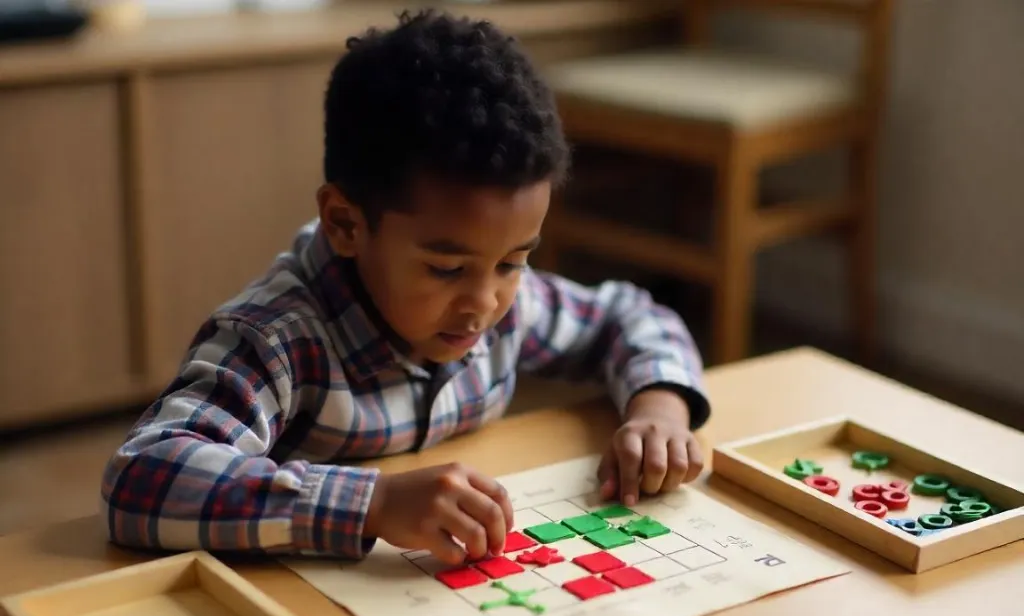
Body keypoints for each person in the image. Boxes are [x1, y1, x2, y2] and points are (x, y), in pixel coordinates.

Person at [100, 9, 711, 566]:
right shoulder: (275, 340)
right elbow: (141, 478)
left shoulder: (507, 304)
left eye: (513, 261)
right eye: (447, 269)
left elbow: (628, 316)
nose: (483, 304)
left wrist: (659, 407)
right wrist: (372, 503)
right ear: (345, 223)